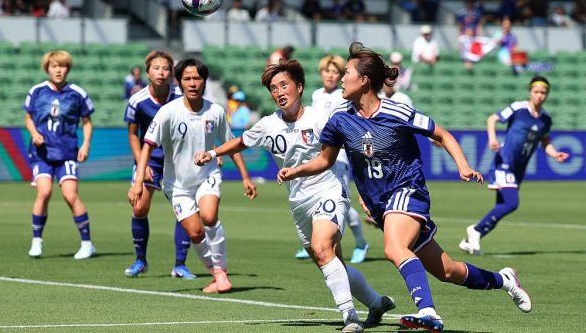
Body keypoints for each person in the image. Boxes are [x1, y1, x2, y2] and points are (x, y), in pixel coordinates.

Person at [278, 42, 532, 332]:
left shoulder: (397, 111)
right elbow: (325, 160)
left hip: (408, 190)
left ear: (363, 81)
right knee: (447, 270)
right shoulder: (340, 119)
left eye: (347, 72)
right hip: (382, 205)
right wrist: (297, 170)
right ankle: (505, 280)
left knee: (394, 247)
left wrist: (462, 165)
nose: (342, 78)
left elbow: (442, 134)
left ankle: (428, 312)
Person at [194, 59, 396, 332]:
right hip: (299, 202)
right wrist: (213, 153)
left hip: (329, 189)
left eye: (284, 85)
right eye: (273, 89)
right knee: (330, 261)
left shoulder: (320, 119)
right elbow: (242, 142)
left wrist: (365, 193)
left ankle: (350, 317)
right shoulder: (268, 125)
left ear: (299, 87)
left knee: (323, 247)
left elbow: (350, 153)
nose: (279, 92)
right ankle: (376, 303)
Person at [128, 58, 258, 293]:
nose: (192, 83)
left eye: (197, 78)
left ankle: (222, 272)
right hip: (177, 185)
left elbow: (231, 145)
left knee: (209, 217)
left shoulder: (216, 111)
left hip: (207, 176)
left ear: (204, 81)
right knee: (196, 232)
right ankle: (216, 274)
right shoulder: (168, 112)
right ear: (179, 82)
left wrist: (246, 177)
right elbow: (147, 145)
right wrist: (138, 182)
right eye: (187, 78)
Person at [460, 76, 569, 256]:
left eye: (543, 93)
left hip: (519, 168)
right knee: (512, 203)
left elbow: (545, 142)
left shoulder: (546, 120)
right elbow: (492, 119)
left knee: (502, 206)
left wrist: (554, 153)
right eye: (536, 92)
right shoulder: (519, 108)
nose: (539, 96)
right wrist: (492, 138)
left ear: (547, 95)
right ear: (530, 91)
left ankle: (468, 242)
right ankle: (476, 230)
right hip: (504, 161)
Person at [123, 50, 196, 279]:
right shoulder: (138, 101)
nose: (161, 72)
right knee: (140, 207)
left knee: (184, 210)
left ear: (172, 72)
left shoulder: (181, 96)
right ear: (147, 73)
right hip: (150, 160)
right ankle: (140, 260)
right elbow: (134, 135)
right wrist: (141, 165)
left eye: (166, 68)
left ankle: (180, 265)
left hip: (178, 160)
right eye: (156, 68)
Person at [293, 54, 369, 264]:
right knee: (316, 196)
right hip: (319, 153)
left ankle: (361, 243)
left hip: (340, 154)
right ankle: (314, 240)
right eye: (327, 71)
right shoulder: (317, 94)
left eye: (336, 72)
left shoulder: (342, 95)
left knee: (341, 201)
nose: (331, 75)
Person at [25, 50, 96, 260]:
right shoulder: (37, 91)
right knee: (44, 193)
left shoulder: (77, 93)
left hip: (66, 153)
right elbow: (28, 118)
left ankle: (87, 244)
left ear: (68, 69)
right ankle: (36, 241)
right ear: (47, 68)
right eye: (54, 66)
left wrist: (86, 145)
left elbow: (87, 122)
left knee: (70, 195)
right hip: (42, 154)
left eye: (62, 66)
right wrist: (34, 133)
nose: (58, 70)